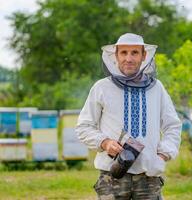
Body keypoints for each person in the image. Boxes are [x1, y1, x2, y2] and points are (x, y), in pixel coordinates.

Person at [76, 33, 182, 200]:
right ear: (116, 56)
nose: (129, 58)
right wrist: (105, 142)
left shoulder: (157, 88)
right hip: (113, 177)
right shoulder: (102, 87)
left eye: (134, 53)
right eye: (123, 53)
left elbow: (172, 125)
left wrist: (162, 155)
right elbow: (84, 127)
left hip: (149, 178)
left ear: (144, 56)